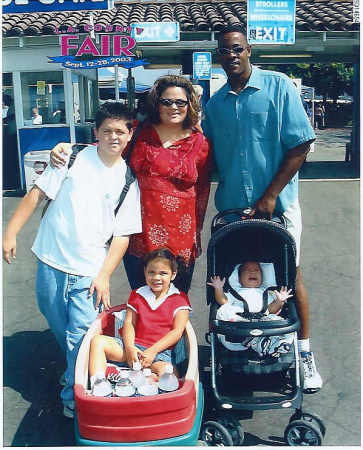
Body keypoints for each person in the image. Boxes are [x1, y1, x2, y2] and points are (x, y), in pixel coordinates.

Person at [202, 23, 322, 392]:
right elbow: (206, 158)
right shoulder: (215, 105)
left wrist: (270, 195)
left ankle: (302, 350)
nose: (231, 55)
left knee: (289, 275)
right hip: (234, 213)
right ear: (218, 57)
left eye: (237, 48)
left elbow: (300, 145)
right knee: (233, 279)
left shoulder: (279, 87)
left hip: (279, 207)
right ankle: (231, 349)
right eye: (225, 51)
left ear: (249, 50)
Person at [2, 102, 142, 417]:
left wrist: (105, 274)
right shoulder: (72, 157)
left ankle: (76, 397)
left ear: (130, 134)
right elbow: (36, 194)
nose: (114, 137)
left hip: (89, 270)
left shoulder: (128, 182)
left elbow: (122, 235)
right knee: (58, 323)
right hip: (51, 260)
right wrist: (10, 232)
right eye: (107, 130)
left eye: (121, 131)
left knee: (79, 333)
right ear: (96, 132)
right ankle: (78, 367)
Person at [50, 75, 211, 294]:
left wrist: (196, 237)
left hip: (180, 239)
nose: (174, 107)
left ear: (189, 104)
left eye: (180, 102)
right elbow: (106, 148)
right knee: (141, 300)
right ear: (157, 103)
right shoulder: (140, 133)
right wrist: (67, 148)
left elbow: (201, 193)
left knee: (175, 303)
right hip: (138, 235)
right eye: (167, 102)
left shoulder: (199, 142)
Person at [88, 248, 191, 395]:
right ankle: (98, 385)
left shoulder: (179, 299)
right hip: (133, 349)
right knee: (98, 341)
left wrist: (153, 351)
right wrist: (129, 349)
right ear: (145, 272)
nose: (156, 277)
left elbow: (177, 332)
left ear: (173, 274)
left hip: (160, 353)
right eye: (151, 272)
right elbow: (129, 323)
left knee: (169, 374)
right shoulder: (137, 294)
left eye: (163, 273)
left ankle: (148, 383)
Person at [208, 262, 294, 356]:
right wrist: (218, 288)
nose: (252, 272)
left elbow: (271, 310)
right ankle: (262, 343)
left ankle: (267, 343)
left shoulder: (267, 293)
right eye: (247, 270)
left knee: (278, 320)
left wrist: (279, 301)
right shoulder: (235, 292)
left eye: (257, 270)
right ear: (239, 278)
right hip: (238, 330)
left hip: (264, 325)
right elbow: (223, 301)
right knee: (224, 310)